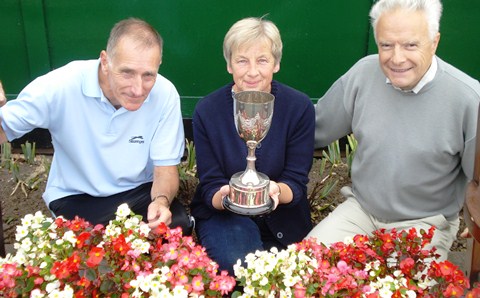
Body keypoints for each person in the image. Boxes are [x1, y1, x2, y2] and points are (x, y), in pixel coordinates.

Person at [306, 0, 480, 261]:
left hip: (425, 224)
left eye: (411, 45)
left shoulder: (468, 99)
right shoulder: (363, 74)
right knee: (299, 270)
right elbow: (313, 129)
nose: (397, 58)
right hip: (360, 212)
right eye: (386, 45)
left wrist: (473, 216)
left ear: (434, 42)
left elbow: (477, 179)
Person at [0, 18, 193, 233]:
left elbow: (165, 169)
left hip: (140, 191)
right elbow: (5, 127)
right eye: (127, 73)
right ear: (105, 61)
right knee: (98, 244)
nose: (138, 89)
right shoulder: (61, 85)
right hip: (77, 195)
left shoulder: (165, 94)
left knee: (176, 230)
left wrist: (161, 202)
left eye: (148, 75)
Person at [191, 17, 315, 275]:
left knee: (289, 273)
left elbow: (296, 181)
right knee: (242, 266)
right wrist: (229, 196)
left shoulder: (299, 107)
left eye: (262, 60)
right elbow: (210, 183)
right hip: (225, 217)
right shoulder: (207, 110)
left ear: (276, 63)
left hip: (284, 215)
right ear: (229, 65)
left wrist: (272, 192)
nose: (252, 71)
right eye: (242, 60)